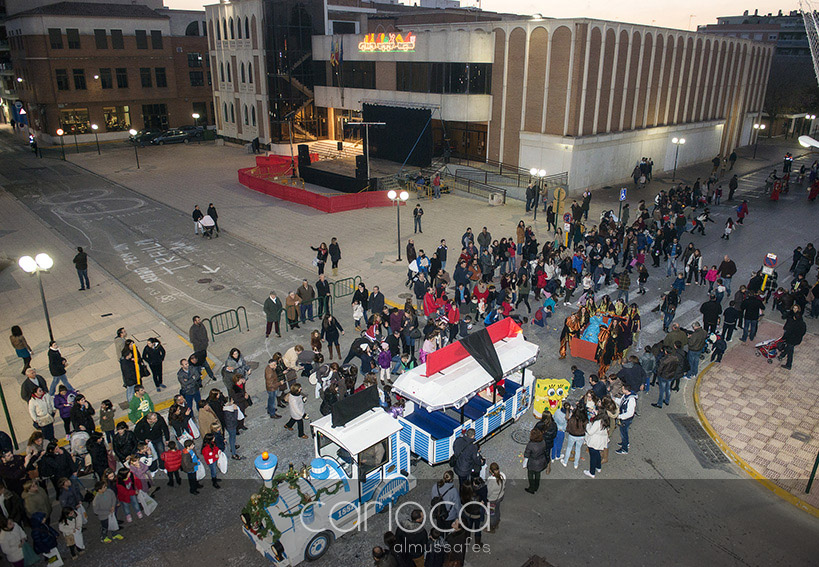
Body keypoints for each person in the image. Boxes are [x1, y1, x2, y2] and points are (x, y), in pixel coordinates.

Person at [584, 410, 609, 478]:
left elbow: (590, 432)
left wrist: (588, 425)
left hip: (594, 441)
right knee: (597, 454)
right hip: (601, 441)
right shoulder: (605, 421)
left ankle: (592, 472)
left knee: (593, 457)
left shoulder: (598, 422)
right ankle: (598, 467)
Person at [189, 316, 214, 381]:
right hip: (198, 349)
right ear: (195, 322)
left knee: (204, 362)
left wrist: (206, 341)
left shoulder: (202, 325)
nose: (200, 321)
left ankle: (211, 375)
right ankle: (200, 379)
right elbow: (192, 339)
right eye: (198, 320)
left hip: (204, 347)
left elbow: (205, 333)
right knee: (202, 364)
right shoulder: (192, 329)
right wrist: (200, 343)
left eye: (199, 319)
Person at [615, 383, 637, 454]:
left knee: (623, 433)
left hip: (626, 420)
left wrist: (619, 416)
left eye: (623, 388)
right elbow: (621, 402)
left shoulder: (631, 400)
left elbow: (630, 413)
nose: (622, 389)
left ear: (626, 390)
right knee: (624, 432)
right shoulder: (626, 396)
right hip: (623, 418)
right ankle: (625, 443)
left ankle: (624, 449)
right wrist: (615, 399)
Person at [523, 428, 547, 494]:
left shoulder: (531, 444)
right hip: (541, 461)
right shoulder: (543, 441)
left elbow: (526, 454)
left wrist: (524, 463)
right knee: (538, 474)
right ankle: (536, 486)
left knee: (530, 475)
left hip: (532, 462)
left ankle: (531, 488)